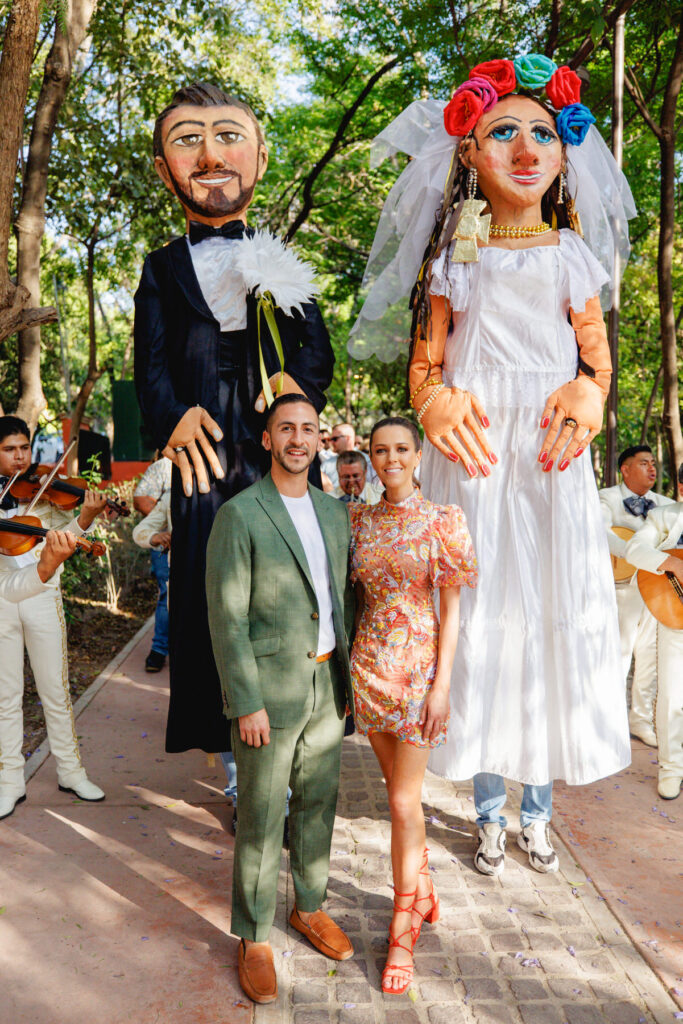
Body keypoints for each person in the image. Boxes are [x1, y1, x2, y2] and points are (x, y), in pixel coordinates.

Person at [349, 55, 635, 876]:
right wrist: (433, 400)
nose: (522, 145)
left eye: (541, 132)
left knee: (545, 616)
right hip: (471, 458)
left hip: (546, 457)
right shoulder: (455, 258)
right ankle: (484, 810)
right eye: (499, 131)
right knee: (471, 621)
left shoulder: (571, 256)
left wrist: (587, 396)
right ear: (469, 154)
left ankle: (537, 810)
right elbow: (426, 363)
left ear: (563, 154)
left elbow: (595, 362)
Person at [134, 82, 335, 756]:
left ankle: (293, 731)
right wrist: (168, 419)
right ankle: (223, 746)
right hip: (201, 449)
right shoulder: (159, 268)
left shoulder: (277, 259)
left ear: (260, 157)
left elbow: (315, 346)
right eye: (187, 139)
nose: (210, 153)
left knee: (282, 577)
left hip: (265, 439)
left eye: (227, 136)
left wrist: (294, 388)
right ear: (165, 170)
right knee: (205, 587)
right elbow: (149, 362)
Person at [206, 394, 355, 1005]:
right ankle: (254, 935)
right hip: (267, 693)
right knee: (264, 816)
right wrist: (245, 700)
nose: (299, 438)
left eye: (309, 429)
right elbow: (226, 617)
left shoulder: (335, 512)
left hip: (326, 685)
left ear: (321, 439)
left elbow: (343, 597)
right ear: (266, 439)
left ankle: (310, 907)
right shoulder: (240, 515)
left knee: (319, 804)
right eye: (286, 429)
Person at [350, 416, 476, 993]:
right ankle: (422, 890)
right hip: (369, 672)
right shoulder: (357, 521)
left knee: (403, 802)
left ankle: (402, 929)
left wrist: (442, 686)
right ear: (370, 456)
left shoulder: (443, 520)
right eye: (381, 449)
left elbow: (452, 612)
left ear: (419, 454)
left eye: (401, 448)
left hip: (421, 677)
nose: (391, 458)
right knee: (398, 800)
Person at [0, 415, 110, 819]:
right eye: (9, 449)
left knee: (55, 691)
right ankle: (9, 781)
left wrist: (86, 519)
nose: (19, 457)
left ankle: (71, 770)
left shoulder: (43, 490)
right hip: (1, 600)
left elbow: (70, 532)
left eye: (23, 448)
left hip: (42, 596)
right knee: (5, 696)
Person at [599, 445, 673, 745]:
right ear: (625, 469)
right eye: (644, 463)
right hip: (621, 588)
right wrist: (639, 553)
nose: (652, 468)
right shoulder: (606, 498)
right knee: (618, 653)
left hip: (658, 590)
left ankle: (640, 721)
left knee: (650, 657)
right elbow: (602, 534)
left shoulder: (667, 505)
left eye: (653, 463)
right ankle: (608, 722)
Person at [625, 464, 683, 800]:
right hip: (675, 617)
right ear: (680, 486)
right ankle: (671, 769)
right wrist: (673, 563)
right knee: (672, 694)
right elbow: (635, 549)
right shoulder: (663, 517)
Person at [133, 456, 172, 672]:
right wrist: (165, 524)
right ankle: (159, 649)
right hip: (165, 548)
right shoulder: (164, 466)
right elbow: (139, 499)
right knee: (168, 594)